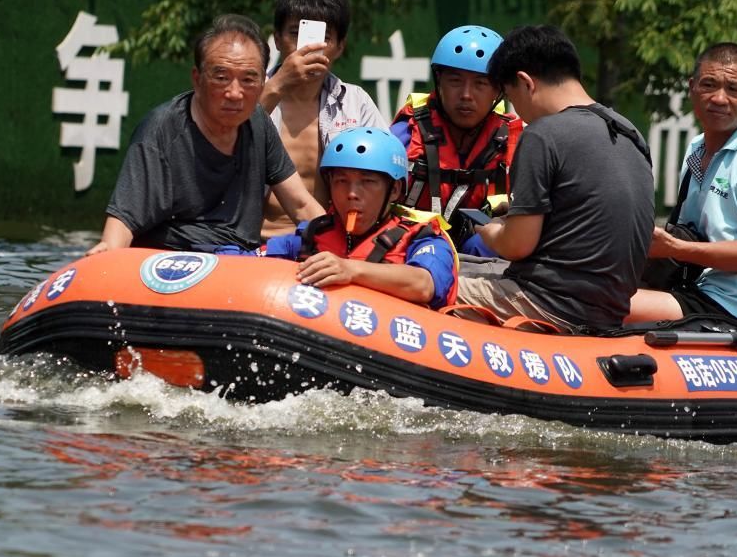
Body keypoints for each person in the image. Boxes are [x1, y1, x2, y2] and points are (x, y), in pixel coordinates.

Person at [454, 25, 655, 333]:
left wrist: (488, 229)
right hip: (609, 311)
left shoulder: (542, 135)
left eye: (510, 97)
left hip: (547, 305)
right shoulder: (629, 132)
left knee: (428, 279)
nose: (516, 112)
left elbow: (517, 246)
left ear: (525, 82)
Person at [87, 14, 325, 256]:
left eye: (248, 80)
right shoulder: (161, 130)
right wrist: (107, 253)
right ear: (197, 79)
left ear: (263, 83)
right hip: (169, 263)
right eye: (221, 78)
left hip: (242, 264)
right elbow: (124, 220)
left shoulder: (258, 122)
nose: (234, 93)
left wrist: (347, 253)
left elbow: (301, 204)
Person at [627, 43, 737, 329]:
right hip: (693, 288)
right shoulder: (697, 148)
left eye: (734, 89)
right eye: (709, 85)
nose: (719, 98)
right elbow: (689, 232)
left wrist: (674, 247)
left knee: (603, 302)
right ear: (692, 87)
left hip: (736, 307)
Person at [265, 127, 457, 309]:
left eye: (367, 182)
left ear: (394, 190)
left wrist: (350, 270)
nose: (351, 194)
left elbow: (425, 284)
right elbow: (249, 258)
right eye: (341, 181)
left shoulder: (421, 237)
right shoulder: (312, 235)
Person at [260, 0, 387, 239]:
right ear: (276, 39)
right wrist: (275, 88)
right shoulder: (249, 93)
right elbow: (220, 147)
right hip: (250, 242)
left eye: (324, 38)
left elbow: (388, 174)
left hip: (329, 244)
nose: (306, 47)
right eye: (295, 33)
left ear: (340, 47)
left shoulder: (355, 102)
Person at [390, 25, 523, 253]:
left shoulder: (514, 138)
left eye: (480, 83)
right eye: (455, 81)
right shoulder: (406, 132)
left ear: (498, 90)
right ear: (439, 81)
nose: (466, 95)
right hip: (410, 245)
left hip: (480, 251)